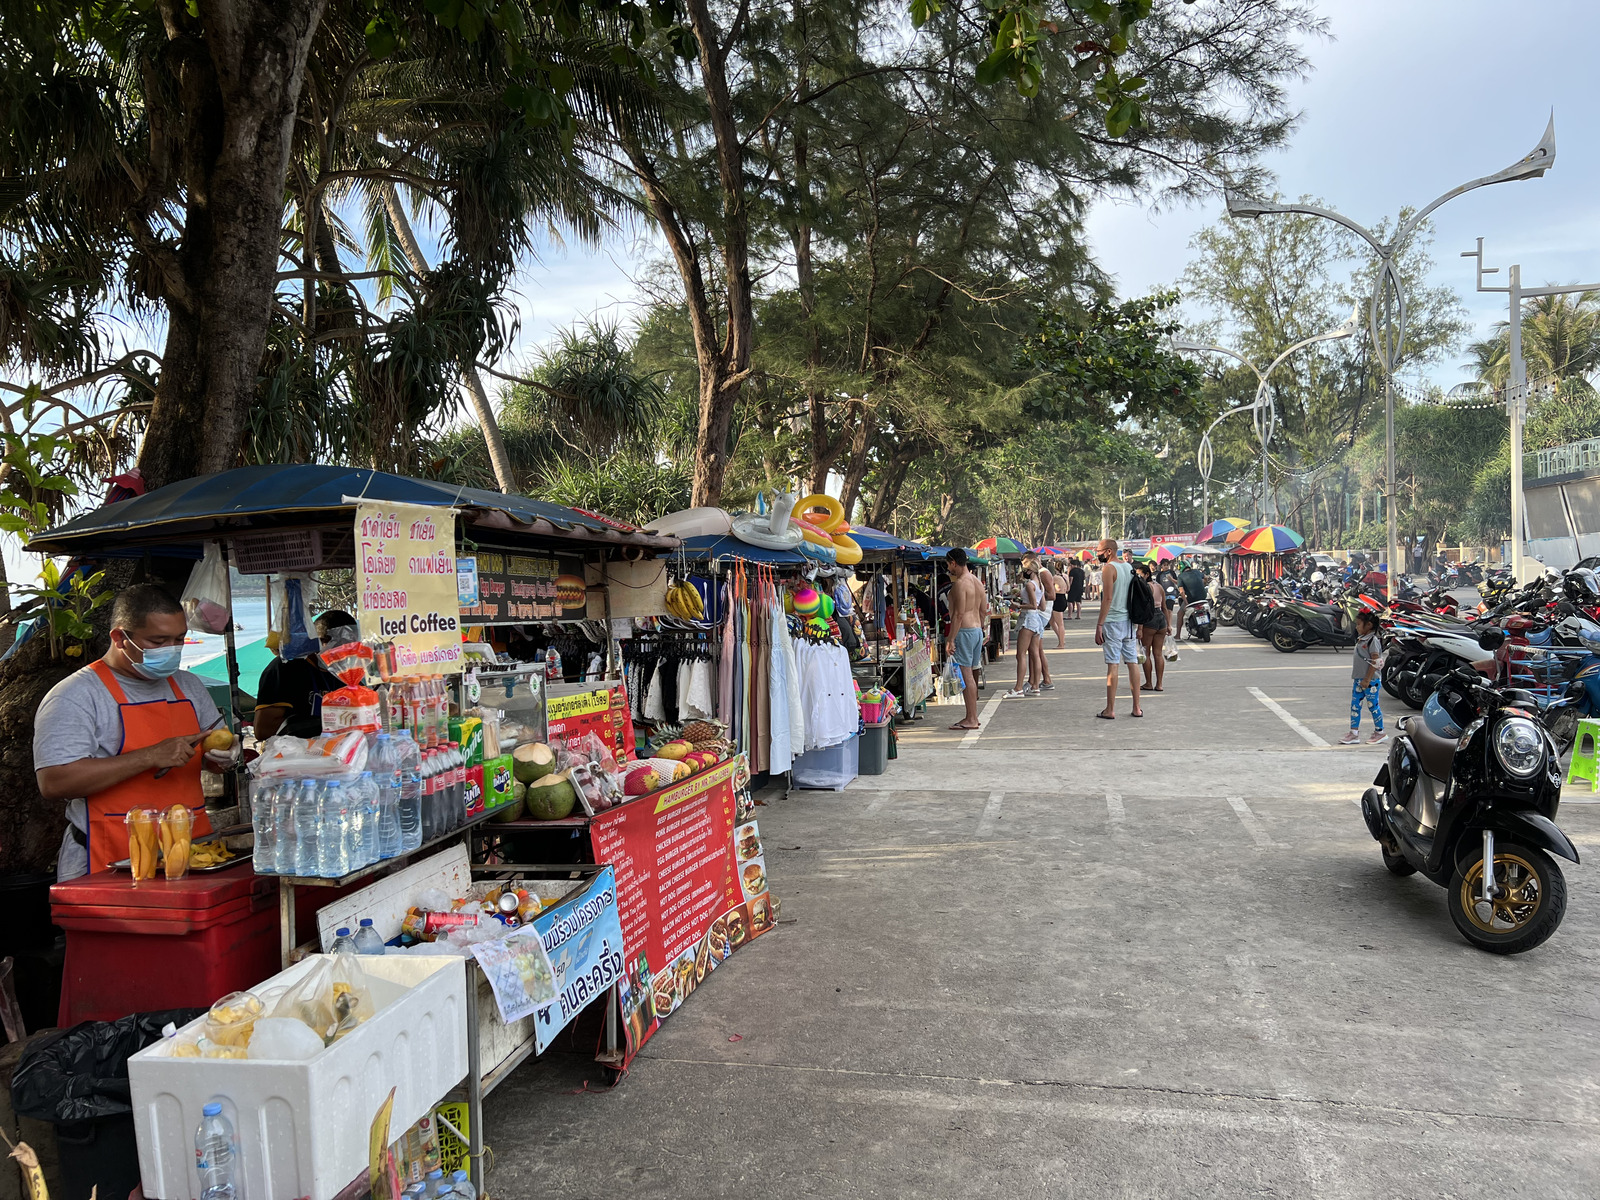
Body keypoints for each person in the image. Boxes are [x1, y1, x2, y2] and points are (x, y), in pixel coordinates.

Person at [34, 583, 237, 879]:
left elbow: (212, 759)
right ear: (120, 638)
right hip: (108, 860)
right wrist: (150, 756)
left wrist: (224, 757)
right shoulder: (75, 696)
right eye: (158, 641)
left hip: (190, 855)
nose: (172, 650)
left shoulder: (189, 685)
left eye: (179, 639)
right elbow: (54, 782)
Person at [254, 609, 358, 738]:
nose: (346, 655)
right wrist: (326, 723)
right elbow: (263, 731)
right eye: (340, 647)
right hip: (293, 753)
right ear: (319, 641)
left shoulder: (345, 675)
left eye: (351, 648)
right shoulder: (285, 669)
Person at [1094, 538, 1142, 719]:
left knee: (1113, 664)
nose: (1097, 554)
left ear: (1108, 551)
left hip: (1113, 621)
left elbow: (1107, 599)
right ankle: (1137, 707)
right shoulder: (1128, 568)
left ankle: (1110, 709)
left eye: (1099, 550)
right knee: (1132, 662)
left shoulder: (1108, 568)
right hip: (1129, 621)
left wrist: (1099, 624)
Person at [943, 549, 990, 730]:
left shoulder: (960, 584)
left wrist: (951, 639)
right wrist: (981, 627)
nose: (948, 569)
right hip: (977, 630)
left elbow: (958, 614)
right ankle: (972, 716)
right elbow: (983, 610)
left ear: (953, 562)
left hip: (965, 632)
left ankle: (971, 718)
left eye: (948, 564)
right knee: (971, 674)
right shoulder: (977, 582)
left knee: (967, 675)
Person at [1343, 609, 1387, 745]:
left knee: (1373, 706)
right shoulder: (1362, 638)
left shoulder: (1373, 640)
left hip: (1370, 681)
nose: (1356, 627)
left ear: (1368, 625)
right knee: (1355, 706)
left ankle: (1380, 732)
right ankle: (1354, 733)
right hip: (1359, 679)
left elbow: (1375, 661)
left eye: (1358, 624)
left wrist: (1367, 679)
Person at [1004, 566, 1047, 698]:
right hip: (1036, 619)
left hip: (1028, 618)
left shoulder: (1029, 584)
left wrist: (1018, 605)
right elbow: (1042, 606)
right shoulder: (1040, 585)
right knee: (1035, 653)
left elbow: (1033, 605)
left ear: (1030, 570)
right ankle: (1035, 686)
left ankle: (1018, 688)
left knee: (1021, 654)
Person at [1135, 562, 1169, 692]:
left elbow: (1144, 609)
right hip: (1161, 619)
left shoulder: (1145, 587)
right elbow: (1164, 607)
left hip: (1149, 619)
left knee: (1146, 653)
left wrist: (1140, 628)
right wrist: (1168, 625)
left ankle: (1149, 683)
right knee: (1158, 654)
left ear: (1146, 574)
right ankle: (1159, 684)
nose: (1138, 577)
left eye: (1140, 575)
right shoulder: (1159, 586)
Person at [1175, 558, 1206, 642]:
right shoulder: (1197, 572)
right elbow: (1205, 578)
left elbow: (1181, 592)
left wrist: (1186, 603)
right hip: (1203, 597)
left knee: (1180, 614)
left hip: (1191, 599)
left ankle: (1177, 635)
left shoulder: (1181, 576)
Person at [1046, 559, 1068, 646]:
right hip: (1063, 597)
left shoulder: (1054, 578)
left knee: (1060, 623)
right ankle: (1060, 637)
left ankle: (1061, 643)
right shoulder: (1065, 576)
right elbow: (1068, 588)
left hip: (1057, 599)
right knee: (1052, 621)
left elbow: (1050, 588)